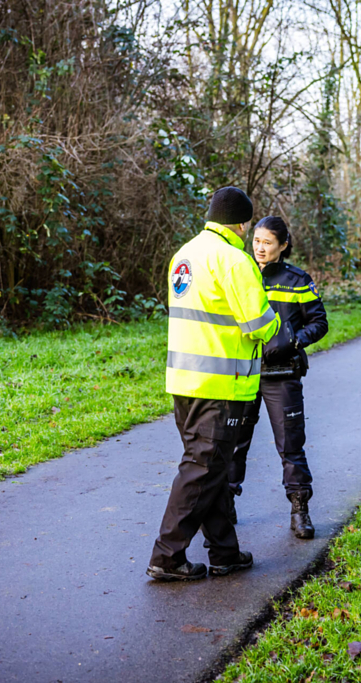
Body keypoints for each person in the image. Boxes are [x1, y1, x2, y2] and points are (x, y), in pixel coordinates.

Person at [146, 187, 281, 581]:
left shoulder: (183, 255)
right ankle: (167, 556)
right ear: (241, 224)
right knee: (202, 469)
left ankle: (225, 552)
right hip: (221, 385)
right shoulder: (235, 261)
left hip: (183, 381)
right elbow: (258, 324)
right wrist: (276, 323)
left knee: (212, 468)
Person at [228, 216, 328, 539]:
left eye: (267, 242)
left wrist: (294, 340)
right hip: (242, 373)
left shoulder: (297, 280)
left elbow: (319, 322)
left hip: (281, 374)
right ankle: (224, 506)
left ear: (283, 245)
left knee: (291, 444)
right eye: (256, 240)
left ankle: (300, 510)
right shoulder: (241, 272)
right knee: (233, 444)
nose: (259, 248)